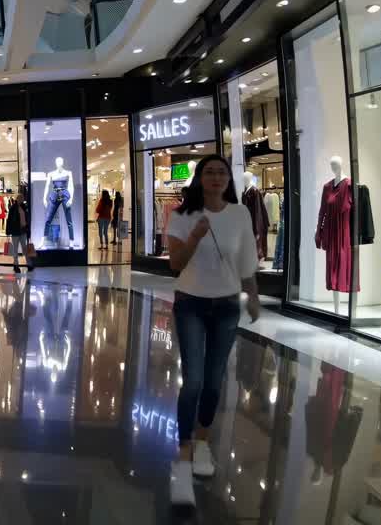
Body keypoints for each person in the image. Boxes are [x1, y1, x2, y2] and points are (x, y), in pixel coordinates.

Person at [165, 154, 260, 506]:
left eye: (222, 172)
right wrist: (195, 235)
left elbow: (247, 259)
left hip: (225, 306)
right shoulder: (181, 215)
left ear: (227, 179)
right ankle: (184, 453)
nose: (217, 177)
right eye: (210, 172)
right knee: (192, 380)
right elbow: (175, 265)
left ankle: (203, 442)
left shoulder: (240, 213)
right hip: (190, 302)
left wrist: (252, 295)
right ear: (200, 179)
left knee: (213, 379)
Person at [6, 185, 34, 273]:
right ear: (17, 199)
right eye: (20, 198)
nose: (21, 200)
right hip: (15, 232)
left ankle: (28, 264)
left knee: (25, 248)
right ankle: (16, 265)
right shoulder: (12, 208)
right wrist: (8, 231)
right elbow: (9, 220)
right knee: (15, 249)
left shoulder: (24, 207)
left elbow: (26, 219)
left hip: (23, 231)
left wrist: (28, 229)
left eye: (22, 198)